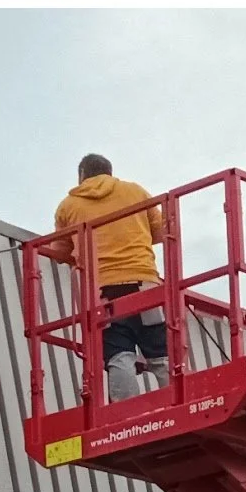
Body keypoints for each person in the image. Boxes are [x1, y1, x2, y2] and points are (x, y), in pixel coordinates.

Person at [50, 155, 169, 403]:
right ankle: (179, 399)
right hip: (145, 285)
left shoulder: (68, 206)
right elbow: (162, 232)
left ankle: (126, 412)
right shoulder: (135, 192)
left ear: (82, 175)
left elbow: (59, 252)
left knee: (119, 354)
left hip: (103, 293)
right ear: (110, 173)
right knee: (161, 352)